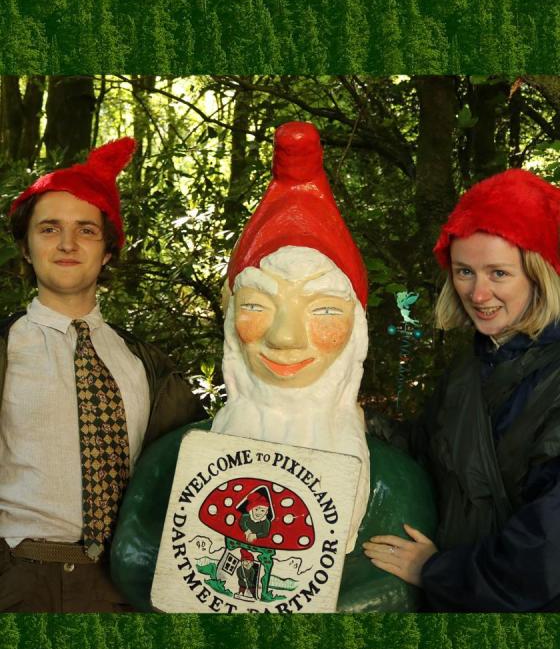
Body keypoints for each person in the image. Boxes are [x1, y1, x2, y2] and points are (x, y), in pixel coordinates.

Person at [111, 121, 436, 612]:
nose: (284, 338)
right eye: (258, 306)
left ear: (357, 330)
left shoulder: (395, 479)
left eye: (323, 311)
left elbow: (396, 592)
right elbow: (133, 559)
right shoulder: (175, 455)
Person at [0, 138, 204, 612]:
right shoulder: (7, 349)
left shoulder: (146, 364)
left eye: (86, 231)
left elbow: (194, 459)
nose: (67, 244)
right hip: (19, 580)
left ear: (108, 250)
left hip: (126, 584)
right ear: (26, 248)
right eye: (49, 229)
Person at [364, 169, 560, 612]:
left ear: (539, 274)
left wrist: (435, 572)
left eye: (499, 273)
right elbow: (430, 448)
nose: (478, 292)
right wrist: (360, 423)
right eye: (464, 271)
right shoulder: (473, 364)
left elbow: (547, 549)